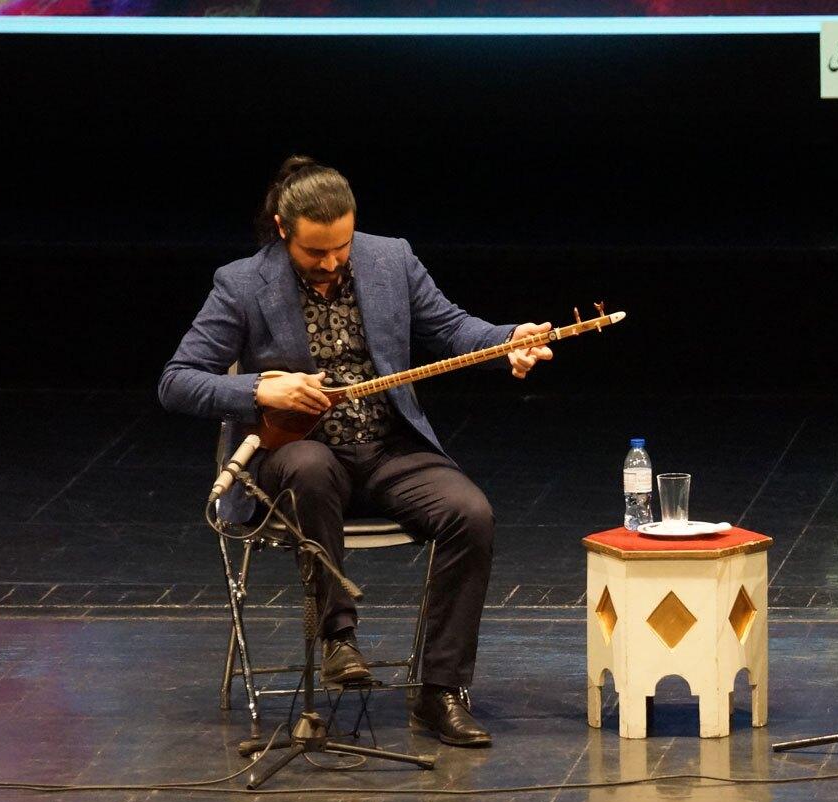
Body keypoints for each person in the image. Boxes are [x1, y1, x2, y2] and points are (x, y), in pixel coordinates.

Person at [160, 156, 554, 748]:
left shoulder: (390, 258)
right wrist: (260, 388)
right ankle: (338, 638)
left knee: (470, 514)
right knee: (311, 468)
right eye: (315, 252)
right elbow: (177, 381)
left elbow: (452, 329)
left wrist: (506, 340)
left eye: (341, 247)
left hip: (388, 449)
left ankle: (440, 690)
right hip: (299, 456)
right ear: (282, 229)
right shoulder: (241, 283)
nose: (332, 262)